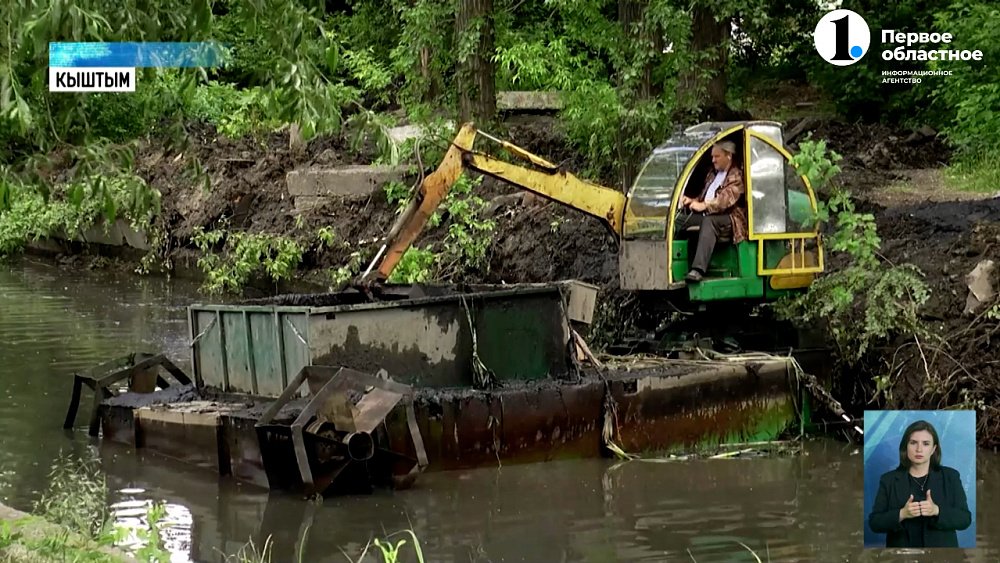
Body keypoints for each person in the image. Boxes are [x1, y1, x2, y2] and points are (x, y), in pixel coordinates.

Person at [868, 420, 972, 548]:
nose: (919, 449)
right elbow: (874, 523)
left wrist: (936, 510)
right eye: (913, 443)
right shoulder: (888, 480)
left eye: (926, 444)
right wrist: (902, 514)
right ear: (905, 446)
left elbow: (965, 519)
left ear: (934, 449)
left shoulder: (951, 476)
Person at [679, 140, 748, 282]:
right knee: (679, 219)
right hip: (708, 214)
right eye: (712, 156)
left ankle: (698, 270)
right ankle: (676, 267)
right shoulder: (712, 174)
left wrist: (704, 205)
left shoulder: (737, 176)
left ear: (728, 155)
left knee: (709, 221)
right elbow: (704, 197)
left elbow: (725, 200)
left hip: (730, 219)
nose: (713, 160)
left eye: (717, 156)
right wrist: (692, 201)